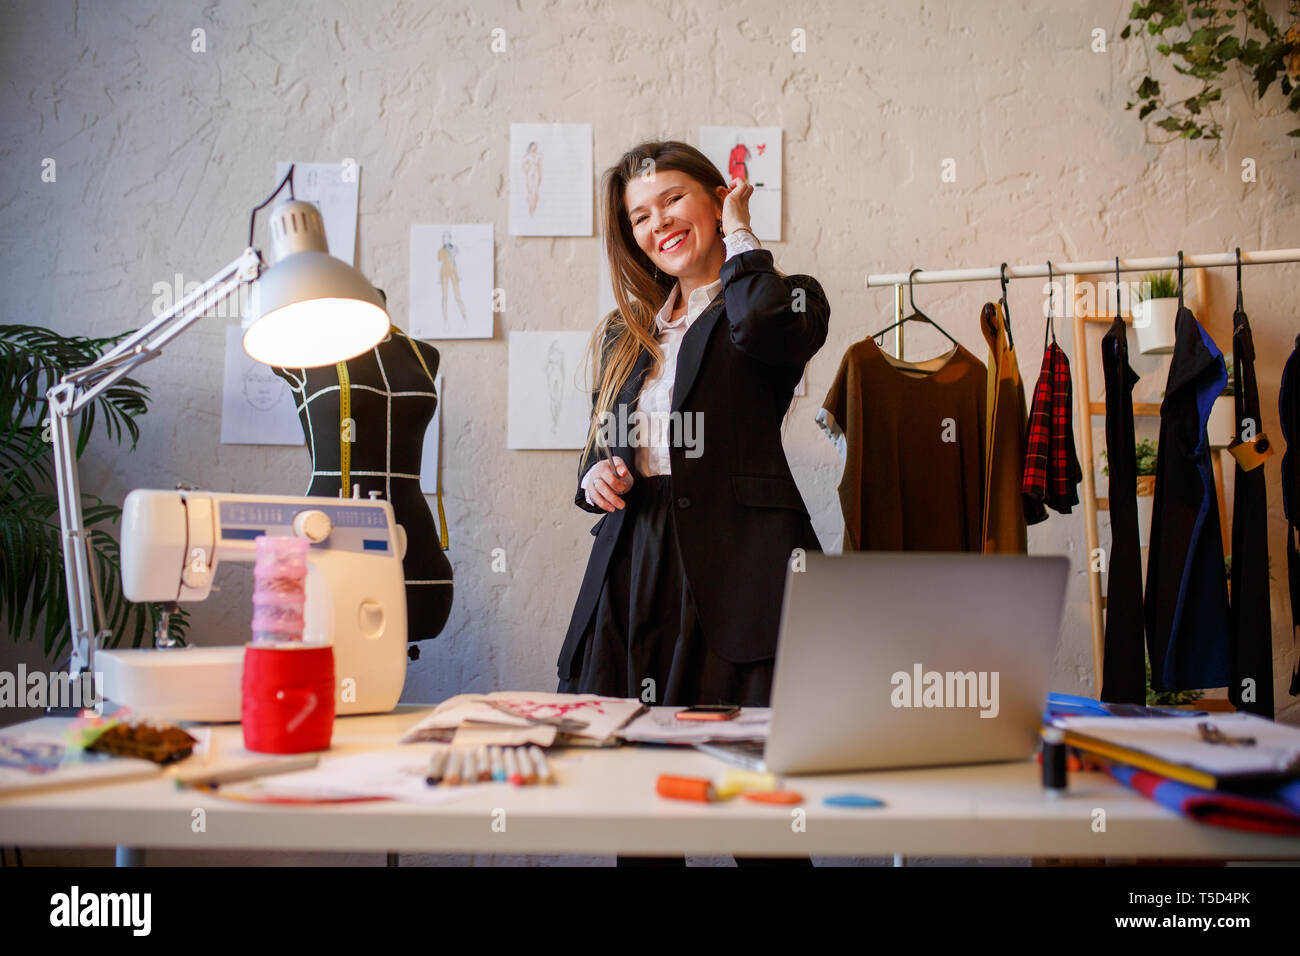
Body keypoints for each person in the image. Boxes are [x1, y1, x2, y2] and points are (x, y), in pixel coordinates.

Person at [556, 140, 830, 867]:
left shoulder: (783, 294)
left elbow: (766, 329)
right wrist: (597, 477)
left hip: (742, 573)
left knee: (759, 814)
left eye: (673, 198)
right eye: (640, 216)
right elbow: (604, 444)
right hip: (636, 568)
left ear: (716, 194)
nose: (659, 223)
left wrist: (741, 233)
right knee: (641, 813)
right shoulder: (626, 331)